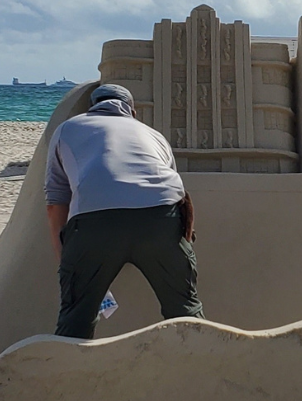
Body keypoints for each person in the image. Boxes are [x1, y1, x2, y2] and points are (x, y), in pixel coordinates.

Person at [44, 83, 204, 338]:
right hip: (162, 220)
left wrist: (65, 257)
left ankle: (69, 376)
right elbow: (172, 189)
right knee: (185, 311)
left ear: (92, 108)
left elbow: (55, 202)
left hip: (94, 225)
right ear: (133, 112)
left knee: (75, 318)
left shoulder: (67, 129)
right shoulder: (153, 135)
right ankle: (203, 371)